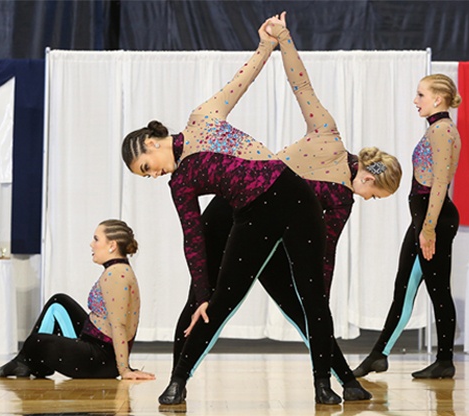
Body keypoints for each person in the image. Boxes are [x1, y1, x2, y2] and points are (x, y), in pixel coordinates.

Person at [168, 12, 400, 402]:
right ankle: (177, 378)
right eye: (375, 195)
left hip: (263, 224)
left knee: (293, 306)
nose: (369, 200)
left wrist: (283, 40)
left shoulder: (333, 159)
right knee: (212, 300)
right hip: (237, 211)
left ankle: (343, 381)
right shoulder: (334, 165)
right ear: (372, 179)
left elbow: (301, 84)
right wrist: (283, 42)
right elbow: (300, 85)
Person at [121, 19, 349, 405]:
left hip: (294, 195)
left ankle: (323, 386)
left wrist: (265, 46)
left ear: (152, 142)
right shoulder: (180, 184)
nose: (151, 174)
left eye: (146, 166)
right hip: (254, 214)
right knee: (222, 301)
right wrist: (202, 292)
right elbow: (192, 239)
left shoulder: (202, 118)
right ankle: (178, 381)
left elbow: (240, 82)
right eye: (145, 175)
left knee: (313, 298)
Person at [353, 73, 462, 379]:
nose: (416, 101)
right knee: (408, 288)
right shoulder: (438, 129)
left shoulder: (442, 130)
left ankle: (438, 360)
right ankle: (382, 355)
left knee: (431, 291)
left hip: (433, 218)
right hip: (427, 218)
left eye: (420, 95)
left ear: (437, 98)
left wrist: (428, 229)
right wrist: (367, 164)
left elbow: (440, 184)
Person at [0, 220, 154, 381]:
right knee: (59, 302)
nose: (91, 244)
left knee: (34, 342)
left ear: (112, 245)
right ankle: (24, 362)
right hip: (95, 343)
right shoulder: (117, 269)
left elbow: (119, 325)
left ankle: (24, 362)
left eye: (96, 239)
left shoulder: (116, 274)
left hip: (99, 360)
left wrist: (124, 369)